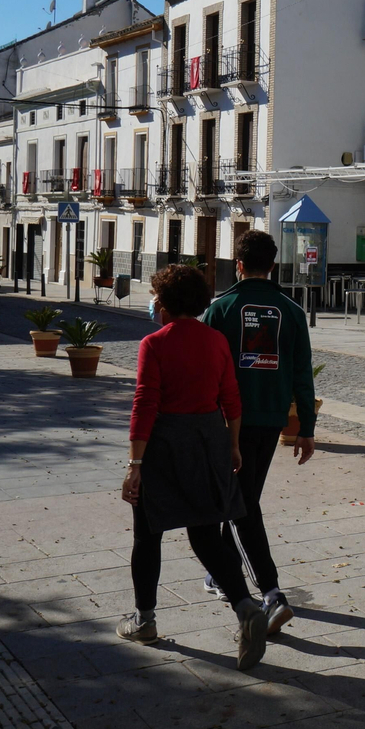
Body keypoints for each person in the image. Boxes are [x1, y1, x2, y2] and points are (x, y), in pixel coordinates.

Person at [118, 263, 269, 672]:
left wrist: (135, 464)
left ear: (163, 303)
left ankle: (144, 620)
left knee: (147, 534)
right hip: (208, 440)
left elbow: (145, 403)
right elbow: (231, 398)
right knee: (205, 534)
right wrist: (233, 445)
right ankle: (245, 607)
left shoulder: (154, 343)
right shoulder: (217, 341)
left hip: (165, 444)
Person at [200, 229, 317, 635]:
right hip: (270, 421)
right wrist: (306, 427)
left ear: (238, 264)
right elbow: (303, 373)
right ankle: (222, 574)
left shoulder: (220, 310)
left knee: (238, 503)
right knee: (240, 496)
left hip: (227, 421)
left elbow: (207, 372)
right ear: (272, 265)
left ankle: (270, 594)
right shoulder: (292, 311)